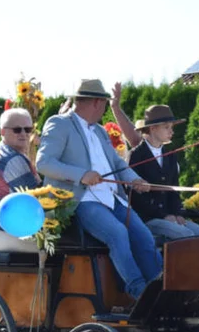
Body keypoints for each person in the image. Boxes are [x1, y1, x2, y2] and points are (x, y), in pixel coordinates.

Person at [37, 78, 161, 299]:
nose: (105, 109)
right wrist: (81, 175)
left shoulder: (101, 131)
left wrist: (135, 180)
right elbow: (44, 163)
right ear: (96, 102)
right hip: (80, 201)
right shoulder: (59, 123)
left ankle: (159, 292)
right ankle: (138, 291)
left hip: (112, 199)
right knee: (118, 233)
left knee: (144, 236)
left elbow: (118, 164)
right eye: (104, 104)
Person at [128, 104, 199, 241]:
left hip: (170, 216)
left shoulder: (170, 155)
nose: (171, 131)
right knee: (185, 236)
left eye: (171, 127)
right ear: (153, 128)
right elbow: (135, 197)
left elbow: (173, 190)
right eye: (166, 127)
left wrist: (177, 213)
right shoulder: (136, 155)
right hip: (147, 218)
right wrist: (163, 215)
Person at [0, 107, 43, 252]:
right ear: (2, 132)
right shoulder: (13, 159)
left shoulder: (2, 150)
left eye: (28, 129)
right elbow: (37, 197)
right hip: (6, 232)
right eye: (17, 130)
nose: (24, 134)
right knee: (68, 246)